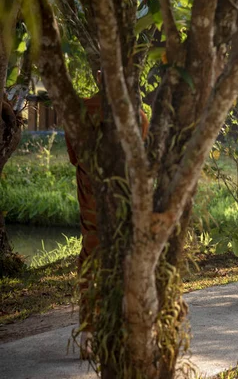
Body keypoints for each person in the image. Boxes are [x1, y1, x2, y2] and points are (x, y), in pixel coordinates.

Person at [65, 74, 148, 357]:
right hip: (122, 206)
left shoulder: (80, 112)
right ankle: (123, 331)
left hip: (92, 204)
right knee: (124, 262)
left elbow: (74, 157)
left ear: (98, 76)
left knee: (90, 260)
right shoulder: (136, 115)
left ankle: (88, 333)